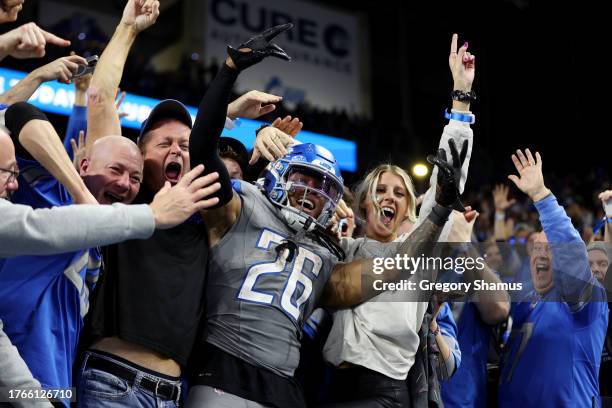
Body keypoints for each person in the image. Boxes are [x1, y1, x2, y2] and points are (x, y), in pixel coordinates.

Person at [181, 27, 463, 408]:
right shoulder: (243, 203)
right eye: (304, 180)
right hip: (222, 369)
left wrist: (440, 211)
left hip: (286, 386)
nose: (312, 194)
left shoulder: (329, 251)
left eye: (323, 187)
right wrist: (229, 70)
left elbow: (397, 268)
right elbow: (200, 149)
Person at [498, 149, 608, 407]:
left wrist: (540, 196)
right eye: (537, 248)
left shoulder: (586, 303)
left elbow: (571, 255)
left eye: (550, 248)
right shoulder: (525, 302)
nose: (541, 254)